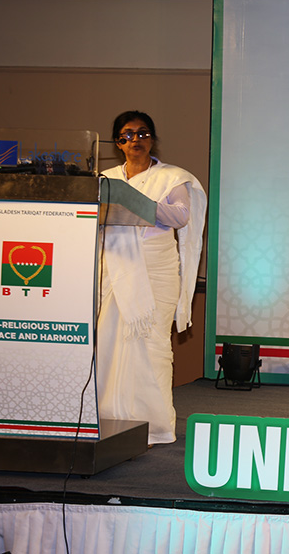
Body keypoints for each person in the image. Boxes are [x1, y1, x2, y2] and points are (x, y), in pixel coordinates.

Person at [96, 111, 206, 445]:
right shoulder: (105, 178)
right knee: (112, 342)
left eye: (143, 134)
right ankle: (110, 417)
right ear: (118, 143)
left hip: (157, 272)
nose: (136, 141)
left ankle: (156, 426)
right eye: (127, 135)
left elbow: (180, 217)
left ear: (153, 139)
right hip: (116, 269)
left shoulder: (171, 178)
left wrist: (136, 203)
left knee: (153, 345)